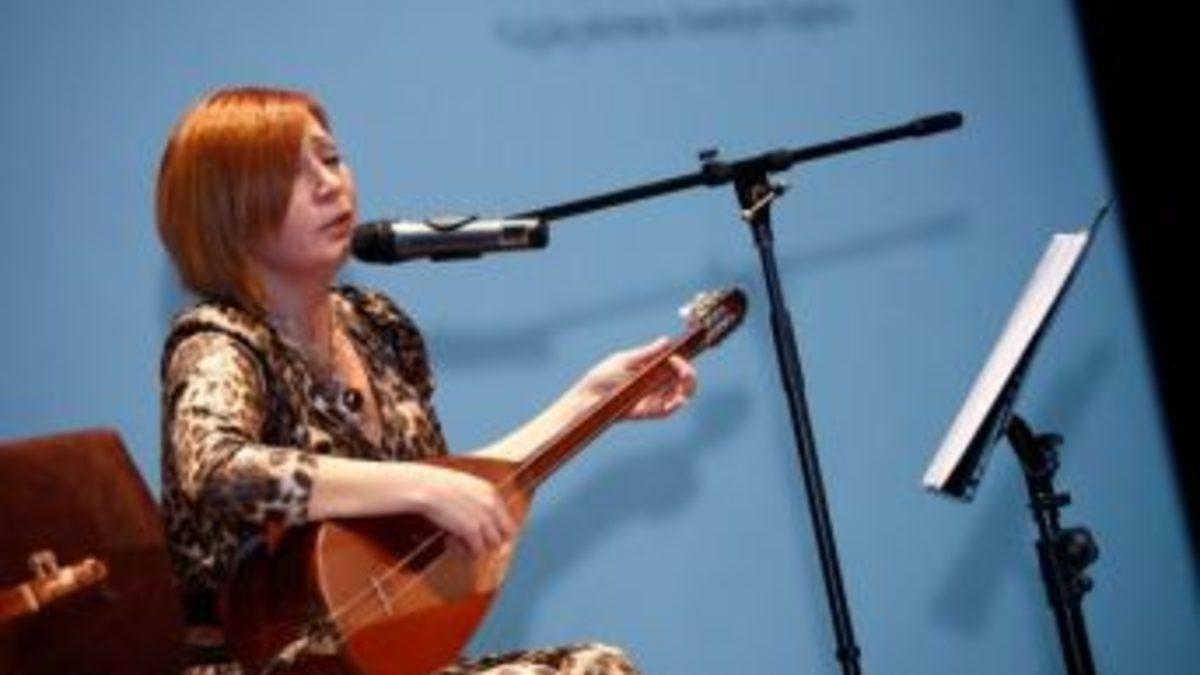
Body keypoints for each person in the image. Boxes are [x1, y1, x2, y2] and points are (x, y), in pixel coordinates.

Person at [156, 87, 696, 675]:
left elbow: (452, 497)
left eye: (331, 159)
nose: (330, 184)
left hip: (376, 660)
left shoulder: (376, 327)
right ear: (227, 210)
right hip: (261, 664)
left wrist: (588, 403)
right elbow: (217, 470)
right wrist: (420, 487)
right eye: (292, 173)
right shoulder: (219, 339)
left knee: (598, 667)